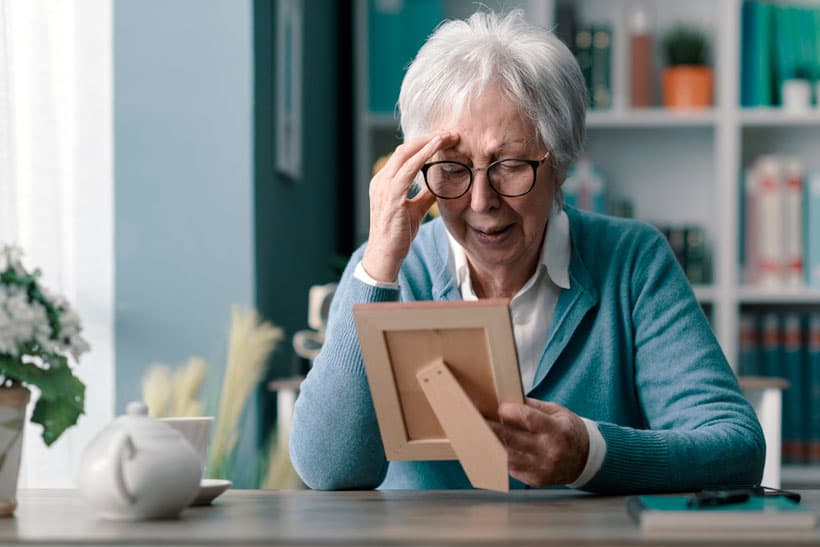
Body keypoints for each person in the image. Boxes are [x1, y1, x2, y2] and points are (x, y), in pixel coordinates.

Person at [289, 9, 765, 493]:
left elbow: (735, 447)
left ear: (560, 162)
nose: (481, 202)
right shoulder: (389, 274)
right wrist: (378, 268)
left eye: (510, 165)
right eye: (451, 169)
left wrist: (589, 453)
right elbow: (329, 470)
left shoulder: (631, 261)